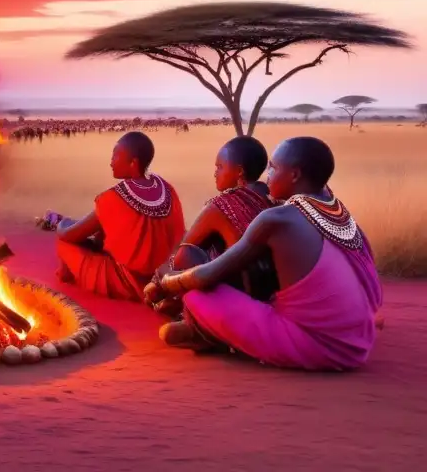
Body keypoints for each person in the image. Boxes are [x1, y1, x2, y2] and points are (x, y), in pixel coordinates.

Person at [157, 137, 383, 371]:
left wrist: (167, 281)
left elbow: (206, 276)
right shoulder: (341, 215)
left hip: (316, 346)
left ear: (295, 175)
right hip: (359, 340)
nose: (268, 176)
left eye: (273, 168)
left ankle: (213, 336)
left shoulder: (276, 219)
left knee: (196, 295)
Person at [144, 136, 275, 317]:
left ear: (239, 172)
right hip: (272, 291)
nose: (215, 173)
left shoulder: (223, 205)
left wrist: (158, 279)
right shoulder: (274, 198)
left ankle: (186, 311)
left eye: (219, 167)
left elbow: (187, 244)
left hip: (242, 294)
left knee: (185, 253)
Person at [53, 132, 185, 302]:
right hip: (163, 276)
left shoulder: (113, 198)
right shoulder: (166, 188)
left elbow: (69, 234)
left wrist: (61, 224)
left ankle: (64, 275)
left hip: (128, 282)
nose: (111, 162)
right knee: (100, 233)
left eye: (115, 156)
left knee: (63, 242)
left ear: (133, 162)